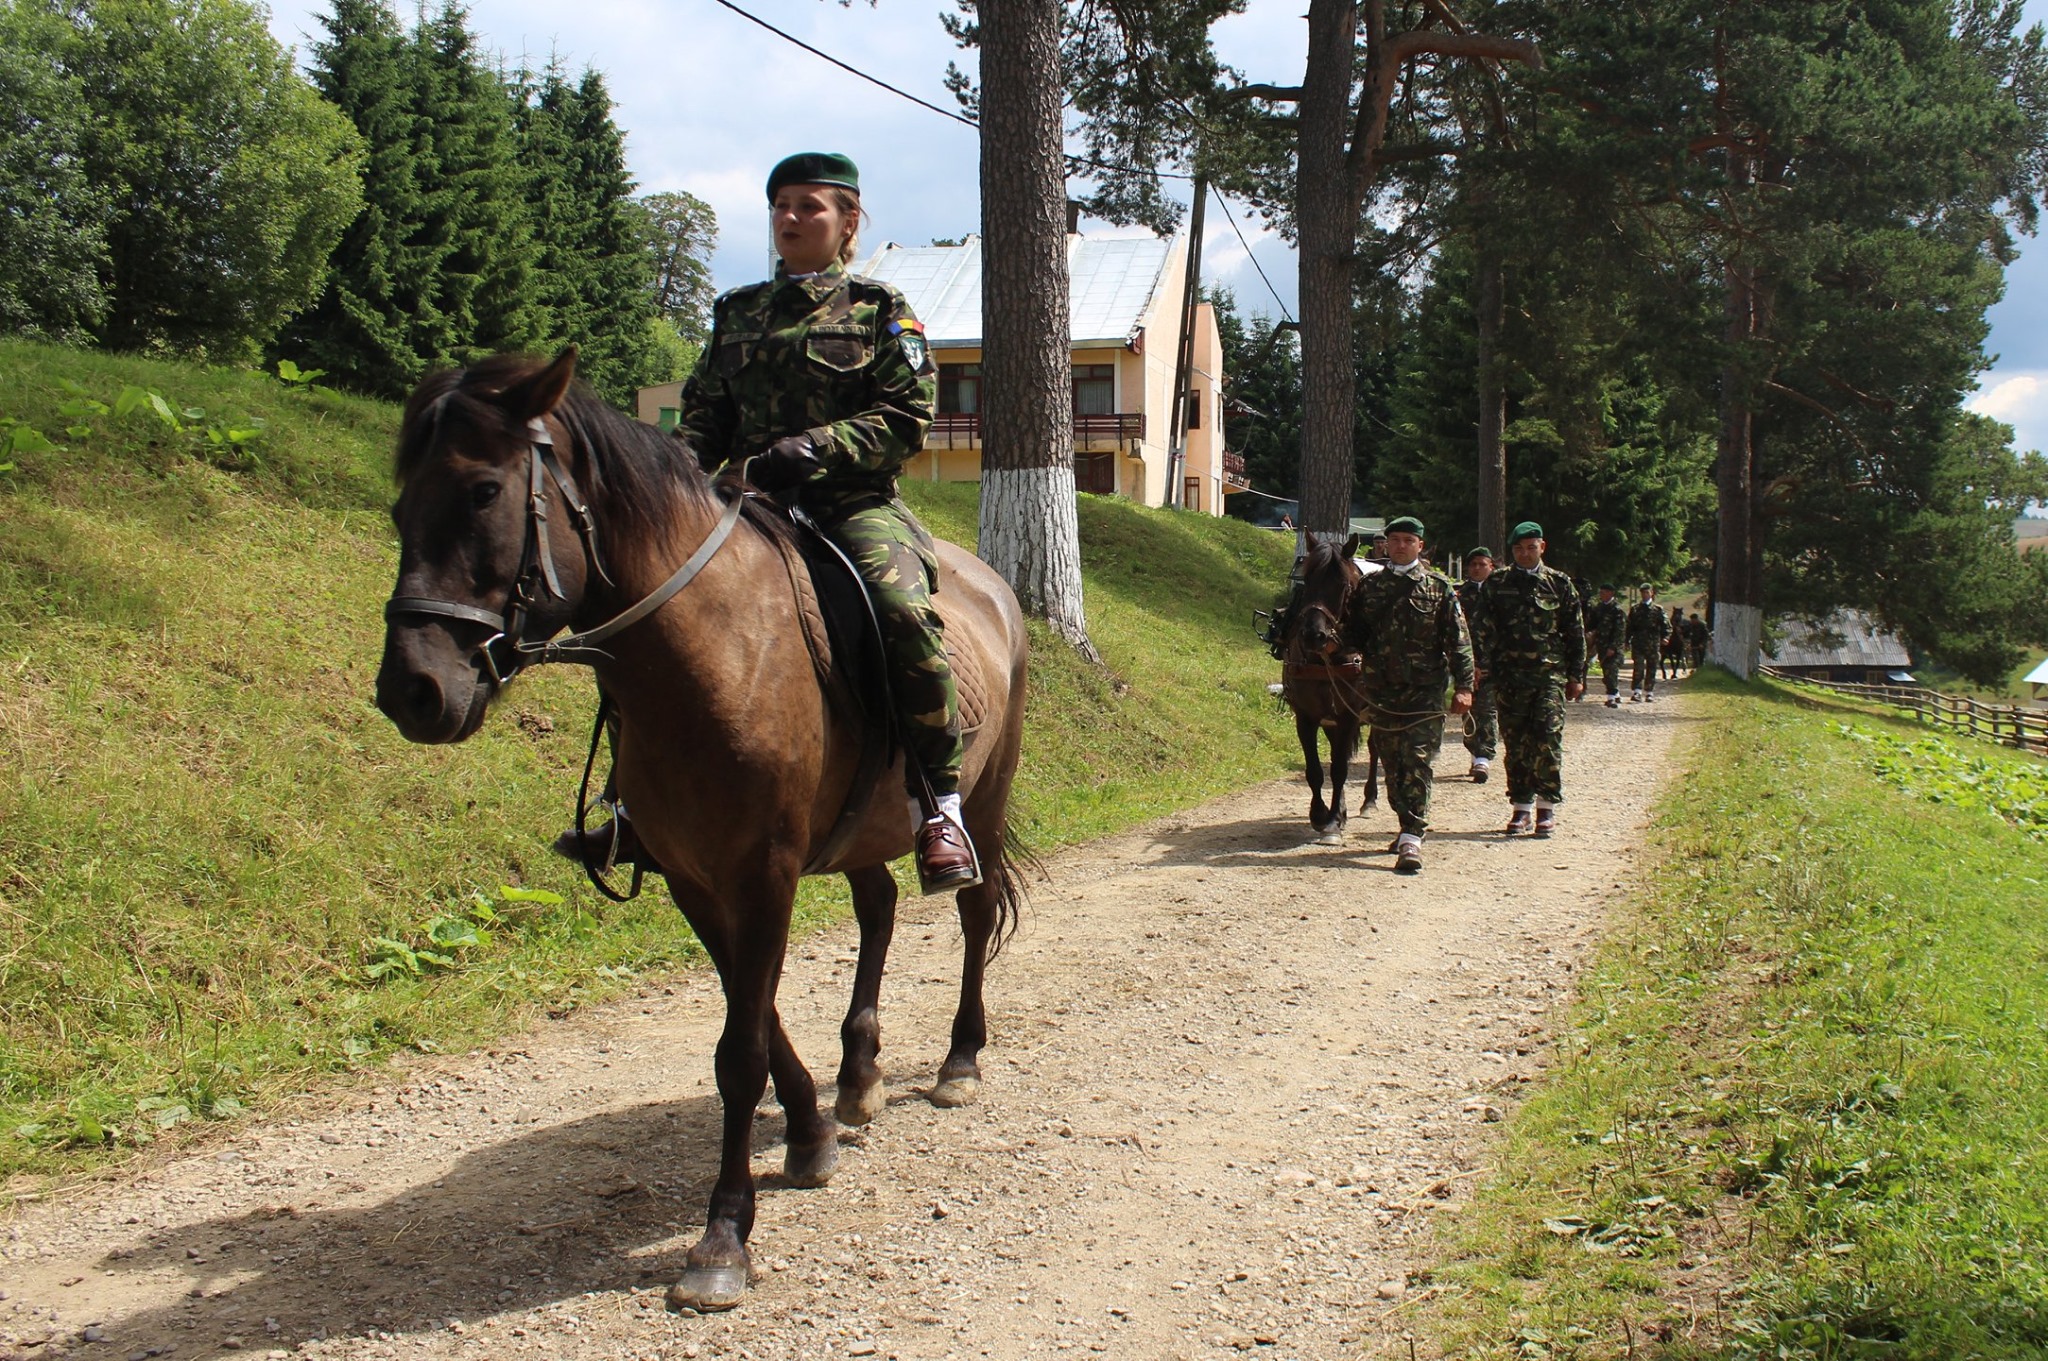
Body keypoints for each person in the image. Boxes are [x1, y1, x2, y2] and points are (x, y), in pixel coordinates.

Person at [559, 152, 978, 893]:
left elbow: (908, 417)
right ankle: (630, 803)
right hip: (741, 505)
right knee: (638, 612)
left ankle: (937, 802)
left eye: (809, 206)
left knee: (902, 613)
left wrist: (815, 448)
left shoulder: (883, 310)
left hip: (850, 505)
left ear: (848, 221)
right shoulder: (738, 312)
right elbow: (704, 420)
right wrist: (671, 484)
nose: (790, 218)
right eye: (780, 205)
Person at [1340, 517, 1474, 873]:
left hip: (1424, 693)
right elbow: (1353, 633)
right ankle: (1405, 823)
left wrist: (1464, 686)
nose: (1400, 546)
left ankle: (1413, 836)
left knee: (1417, 762)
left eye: (1408, 540)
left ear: (1420, 546)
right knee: (1393, 763)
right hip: (1381, 692)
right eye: (1394, 540)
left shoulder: (1438, 588)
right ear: (1385, 545)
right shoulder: (1370, 588)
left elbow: (1458, 642)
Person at [1469, 522, 1585, 836]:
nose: (1524, 553)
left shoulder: (1559, 583)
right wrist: (1480, 666)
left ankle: (1546, 807)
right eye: (1518, 549)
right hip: (1509, 677)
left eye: (1530, 547)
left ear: (1542, 547)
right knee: (1517, 744)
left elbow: (1574, 632)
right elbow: (1480, 629)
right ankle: (1521, 808)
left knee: (1547, 738)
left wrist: (1576, 675)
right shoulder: (1497, 583)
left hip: (1549, 677)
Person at [1456, 547, 1499, 783]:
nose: (1477, 568)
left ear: (1491, 566)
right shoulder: (1460, 595)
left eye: (1482, 564)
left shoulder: (1501, 592)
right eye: (1473, 564)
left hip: (1494, 663)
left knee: (1488, 709)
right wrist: (1468, 665)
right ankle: (1475, 753)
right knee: (1469, 711)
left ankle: (1484, 757)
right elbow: (1457, 633)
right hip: (1467, 663)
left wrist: (1488, 663)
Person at [1626, 582, 1667, 703]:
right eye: (1643, 593)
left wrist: (1666, 637)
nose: (1644, 595)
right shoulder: (1635, 609)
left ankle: (1649, 692)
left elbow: (1666, 626)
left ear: (1651, 593)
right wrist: (1626, 640)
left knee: (1652, 667)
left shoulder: (1658, 610)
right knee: (1638, 667)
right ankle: (1637, 691)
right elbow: (1629, 627)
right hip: (1638, 642)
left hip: (1653, 643)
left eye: (1647, 592)